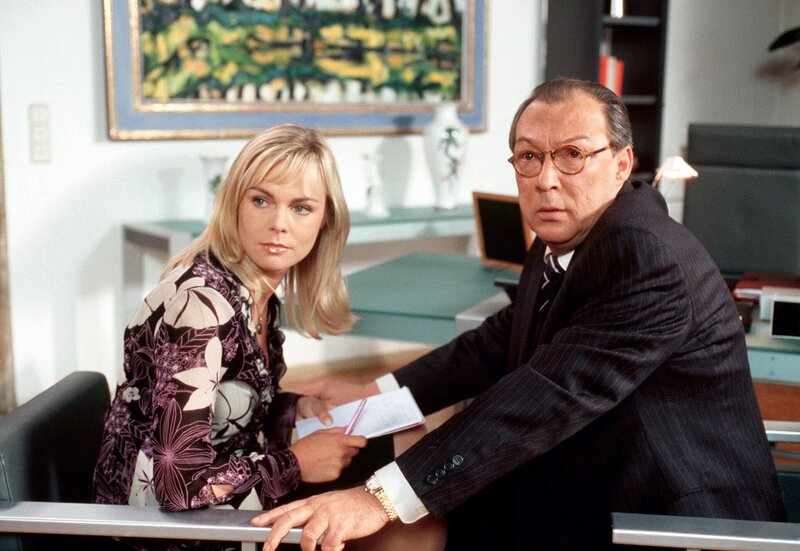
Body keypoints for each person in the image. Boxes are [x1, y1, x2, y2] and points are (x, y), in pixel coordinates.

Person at [252, 78, 786, 551]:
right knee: (364, 474)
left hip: (668, 516)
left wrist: (379, 499)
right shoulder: (567, 230)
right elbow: (499, 340)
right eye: (529, 157)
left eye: (572, 155)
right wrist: (375, 392)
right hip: (590, 475)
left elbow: (543, 395)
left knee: (387, 506)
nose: (546, 179)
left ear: (621, 165)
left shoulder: (646, 256)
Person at [91, 125, 370, 550]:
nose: (279, 224)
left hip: (219, 510)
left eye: (301, 208)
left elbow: (226, 411)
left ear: (324, 220)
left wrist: (293, 408)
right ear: (234, 203)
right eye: (261, 201)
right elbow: (177, 484)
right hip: (155, 532)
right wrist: (295, 463)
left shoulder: (256, 294)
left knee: (381, 485)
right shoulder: (200, 307)